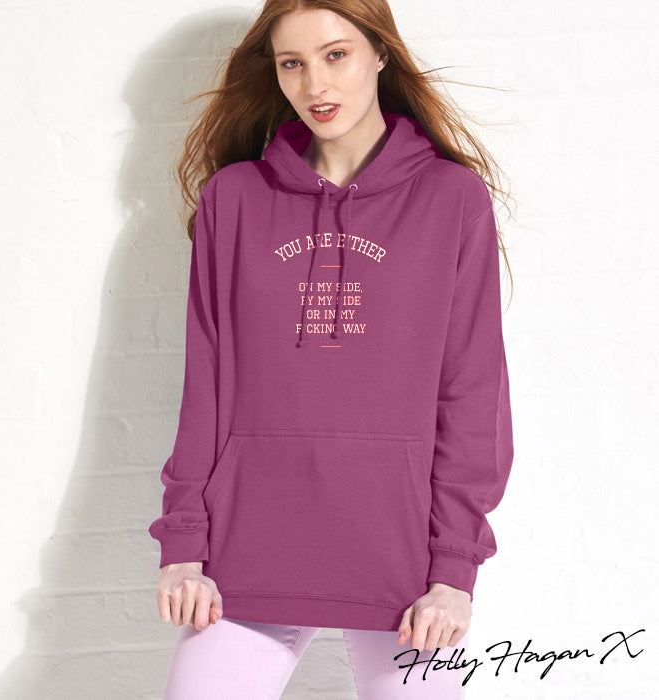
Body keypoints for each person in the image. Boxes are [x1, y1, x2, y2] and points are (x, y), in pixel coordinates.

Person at [148, 0, 515, 697]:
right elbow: (206, 385)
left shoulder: (451, 199)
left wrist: (454, 571)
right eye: (292, 63)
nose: (315, 84)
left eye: (336, 55)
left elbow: (472, 391)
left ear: (380, 53)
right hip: (243, 561)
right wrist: (184, 547)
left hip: (407, 577)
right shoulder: (234, 199)